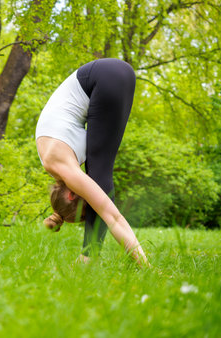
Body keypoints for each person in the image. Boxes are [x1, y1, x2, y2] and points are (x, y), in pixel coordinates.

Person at [35, 58, 148, 266]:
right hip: (108, 74)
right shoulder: (51, 159)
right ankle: (89, 254)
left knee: (100, 177)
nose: (91, 194)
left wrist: (145, 266)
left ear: (71, 194)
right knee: (98, 170)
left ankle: (88, 256)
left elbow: (112, 216)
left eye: (88, 202)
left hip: (102, 79)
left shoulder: (65, 168)